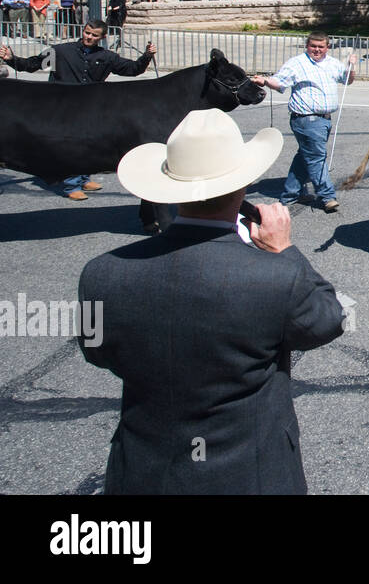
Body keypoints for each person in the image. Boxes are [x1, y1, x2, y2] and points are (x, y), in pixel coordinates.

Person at [79, 108, 346, 494]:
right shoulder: (275, 276)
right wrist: (285, 250)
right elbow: (327, 319)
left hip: (144, 470)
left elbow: (97, 352)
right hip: (250, 472)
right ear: (243, 187)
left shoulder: (100, 273)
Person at [0, 20, 156, 199]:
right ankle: (71, 185)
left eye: (94, 35)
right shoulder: (60, 51)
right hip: (62, 106)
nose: (89, 37)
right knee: (70, 145)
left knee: (87, 143)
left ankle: (83, 178)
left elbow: (132, 70)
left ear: (102, 37)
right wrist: (11, 59)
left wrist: (146, 56)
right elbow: (31, 65)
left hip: (90, 107)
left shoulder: (107, 57)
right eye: (87, 32)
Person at [251, 33, 357, 213]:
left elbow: (347, 80)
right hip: (306, 119)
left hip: (324, 120)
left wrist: (351, 67)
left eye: (321, 46)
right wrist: (266, 81)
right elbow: (279, 82)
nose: (317, 49)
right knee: (316, 158)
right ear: (307, 46)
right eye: (313, 46)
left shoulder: (332, 63)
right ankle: (327, 196)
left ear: (327, 48)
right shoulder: (297, 63)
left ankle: (290, 194)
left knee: (305, 157)